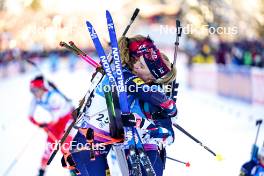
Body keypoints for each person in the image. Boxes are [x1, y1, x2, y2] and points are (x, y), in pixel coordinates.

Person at [69, 35, 178, 176]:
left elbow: (168, 134)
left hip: (136, 145)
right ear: (136, 63)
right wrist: (169, 105)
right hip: (91, 141)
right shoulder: (120, 76)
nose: (151, 78)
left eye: (155, 77)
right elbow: (137, 87)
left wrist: (151, 127)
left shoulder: (149, 90)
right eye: (150, 73)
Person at [28, 75, 75, 176]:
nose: (34, 94)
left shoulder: (54, 97)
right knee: (48, 146)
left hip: (67, 119)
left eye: (35, 91)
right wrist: (38, 123)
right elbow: (30, 115)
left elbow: (55, 118)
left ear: (42, 88)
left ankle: (74, 169)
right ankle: (41, 171)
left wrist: (45, 125)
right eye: (32, 91)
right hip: (56, 122)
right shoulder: (36, 99)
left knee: (66, 146)